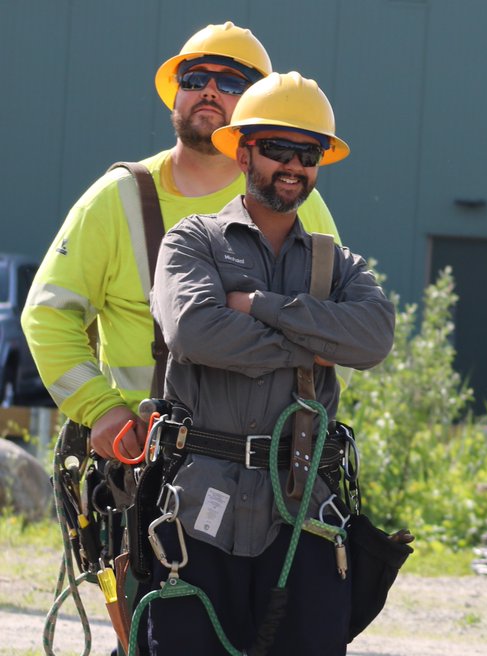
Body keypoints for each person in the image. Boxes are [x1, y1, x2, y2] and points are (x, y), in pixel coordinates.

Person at [138, 71, 394, 656]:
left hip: (303, 509)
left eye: (309, 154)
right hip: (199, 507)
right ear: (242, 150)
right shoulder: (191, 241)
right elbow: (196, 332)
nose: (294, 166)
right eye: (279, 148)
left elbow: (372, 340)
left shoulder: (342, 265)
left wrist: (258, 306)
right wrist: (312, 342)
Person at [21, 21, 340, 462]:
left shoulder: (299, 201)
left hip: (267, 465)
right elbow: (48, 315)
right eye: (194, 78)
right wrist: (101, 409)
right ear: (176, 93)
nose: (209, 90)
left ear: (256, 109)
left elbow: (338, 326)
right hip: (146, 458)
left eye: (230, 82)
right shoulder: (118, 199)